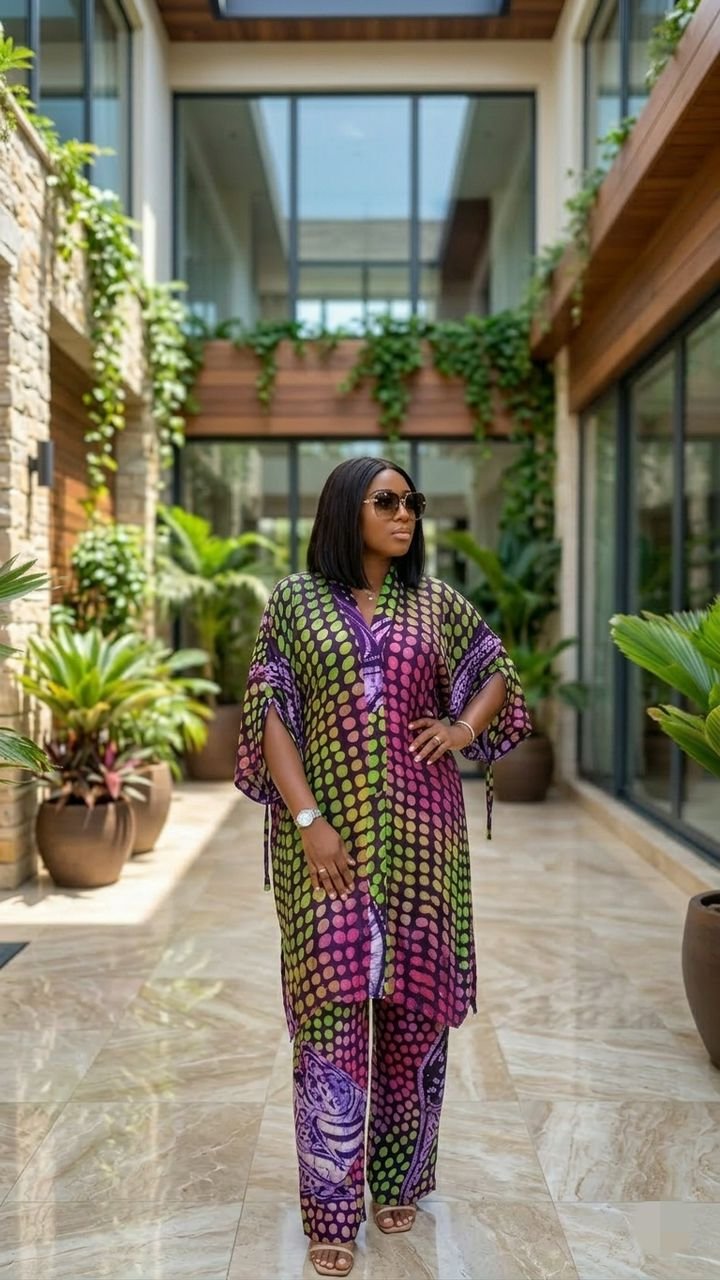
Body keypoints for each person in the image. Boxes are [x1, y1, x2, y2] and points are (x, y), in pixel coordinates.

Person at [234, 456, 531, 1277]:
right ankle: (330, 1208)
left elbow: (498, 671)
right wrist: (308, 821)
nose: (406, 514)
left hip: (423, 841)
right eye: (387, 501)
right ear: (346, 509)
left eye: (413, 502)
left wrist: (463, 730)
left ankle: (400, 1178)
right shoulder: (295, 603)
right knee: (330, 1014)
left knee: (413, 1014)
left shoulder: (435, 602)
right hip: (324, 848)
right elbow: (271, 711)